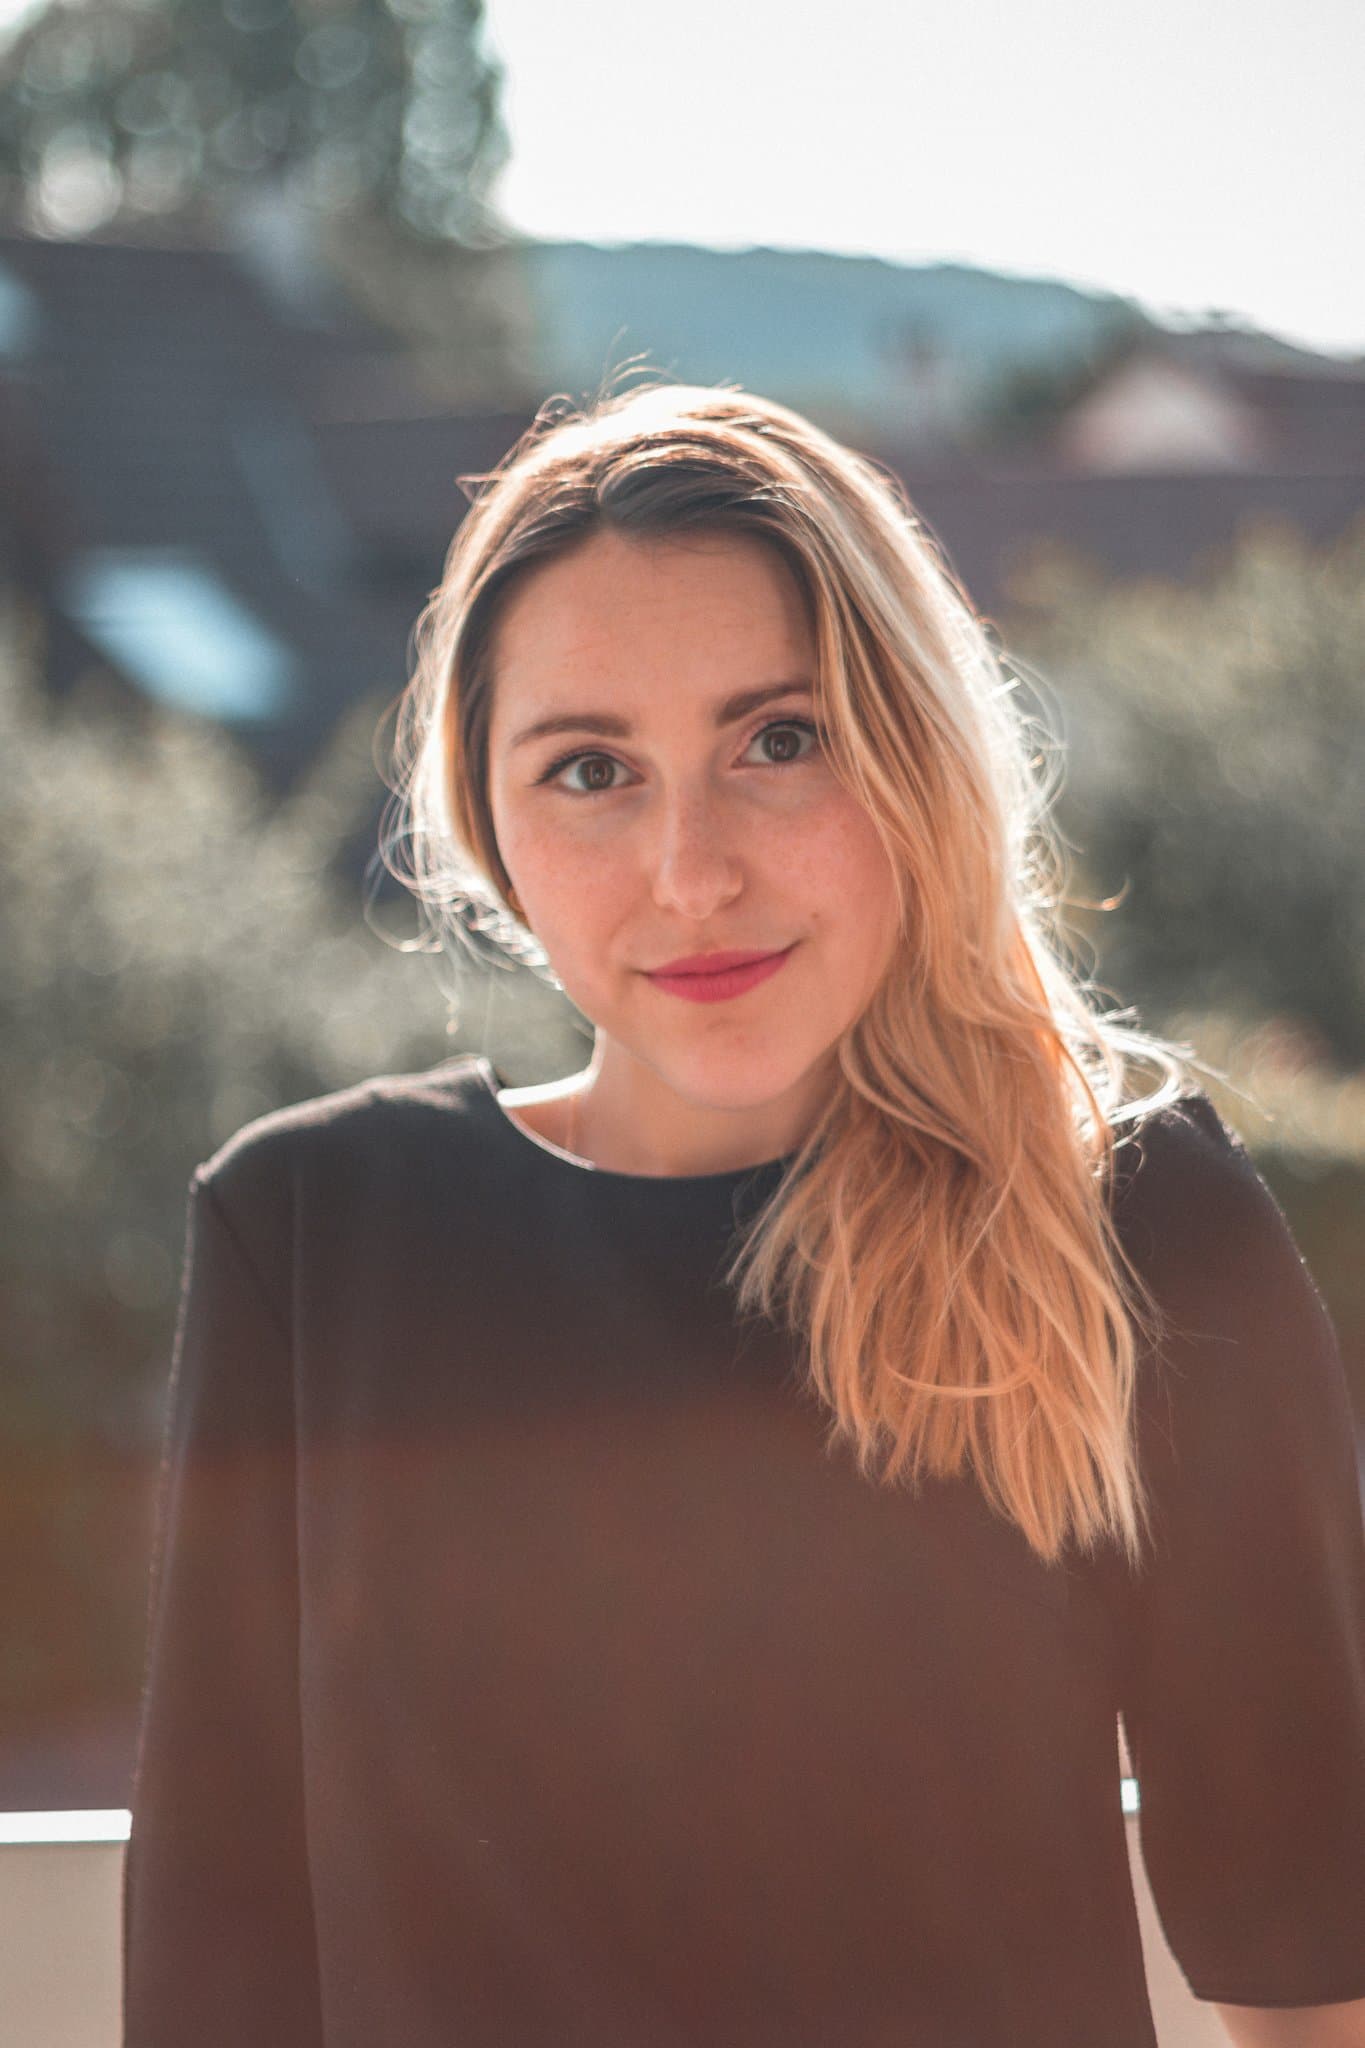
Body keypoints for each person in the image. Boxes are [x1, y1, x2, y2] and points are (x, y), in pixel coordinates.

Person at [122, 383, 1365, 2047]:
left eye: (780, 741)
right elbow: (217, 1965)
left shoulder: (1140, 1230)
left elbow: (1311, 1969)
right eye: (589, 771)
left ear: (915, 753)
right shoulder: (306, 1235)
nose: (690, 872)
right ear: (488, 825)